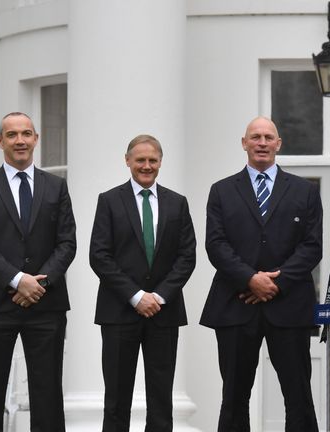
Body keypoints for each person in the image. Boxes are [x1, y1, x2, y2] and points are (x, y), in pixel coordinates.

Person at [200, 116, 322, 432]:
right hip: (235, 305)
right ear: (244, 143)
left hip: (290, 306)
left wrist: (275, 283)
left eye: (269, 137)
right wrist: (250, 279)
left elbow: (312, 246)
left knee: (298, 395)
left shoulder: (304, 191)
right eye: (256, 137)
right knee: (235, 396)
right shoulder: (222, 191)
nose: (262, 143)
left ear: (279, 144)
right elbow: (216, 244)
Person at [0, 112, 76, 431]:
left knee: (48, 396)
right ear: (0, 141)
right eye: (12, 135)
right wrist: (18, 281)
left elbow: (67, 242)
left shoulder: (57, 187)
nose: (20, 141)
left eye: (26, 134)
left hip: (47, 305)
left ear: (36, 139)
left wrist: (37, 285)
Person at [90, 134, 196, 431]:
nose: (146, 166)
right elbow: (99, 256)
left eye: (152, 160)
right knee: (116, 398)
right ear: (127, 161)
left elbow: (187, 257)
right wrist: (136, 296)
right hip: (119, 312)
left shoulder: (177, 203)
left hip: (164, 313)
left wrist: (159, 296)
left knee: (162, 398)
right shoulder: (109, 201)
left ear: (160, 162)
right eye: (140, 160)